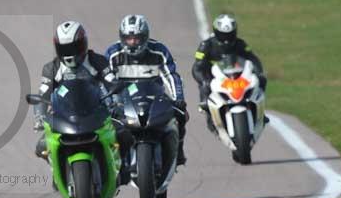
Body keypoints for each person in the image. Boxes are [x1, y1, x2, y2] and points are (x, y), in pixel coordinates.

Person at [105, 14, 189, 166]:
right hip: (123, 103)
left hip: (153, 99)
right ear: (122, 38)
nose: (132, 43)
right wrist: (109, 103)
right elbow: (105, 81)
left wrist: (179, 99)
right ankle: (113, 162)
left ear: (145, 37)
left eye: (136, 39)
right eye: (128, 39)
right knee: (106, 125)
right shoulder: (113, 54)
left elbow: (171, 76)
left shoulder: (159, 51)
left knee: (181, 115)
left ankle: (179, 150)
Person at [32, 20, 116, 160]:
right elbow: (43, 93)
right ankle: (58, 174)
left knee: (124, 136)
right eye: (65, 49)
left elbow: (112, 81)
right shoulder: (51, 68)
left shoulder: (97, 61)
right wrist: (39, 117)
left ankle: (121, 167)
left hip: (96, 114)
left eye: (74, 47)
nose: (70, 53)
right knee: (41, 147)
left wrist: (117, 103)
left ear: (83, 44)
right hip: (64, 117)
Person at [191, 14, 267, 133]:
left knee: (261, 80)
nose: (226, 39)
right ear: (217, 32)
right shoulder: (206, 45)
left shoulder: (240, 43)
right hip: (213, 75)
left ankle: (259, 110)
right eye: (223, 35)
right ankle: (207, 109)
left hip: (235, 74)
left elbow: (252, 58)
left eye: (229, 34)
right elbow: (197, 65)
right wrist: (203, 79)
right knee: (205, 85)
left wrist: (259, 72)